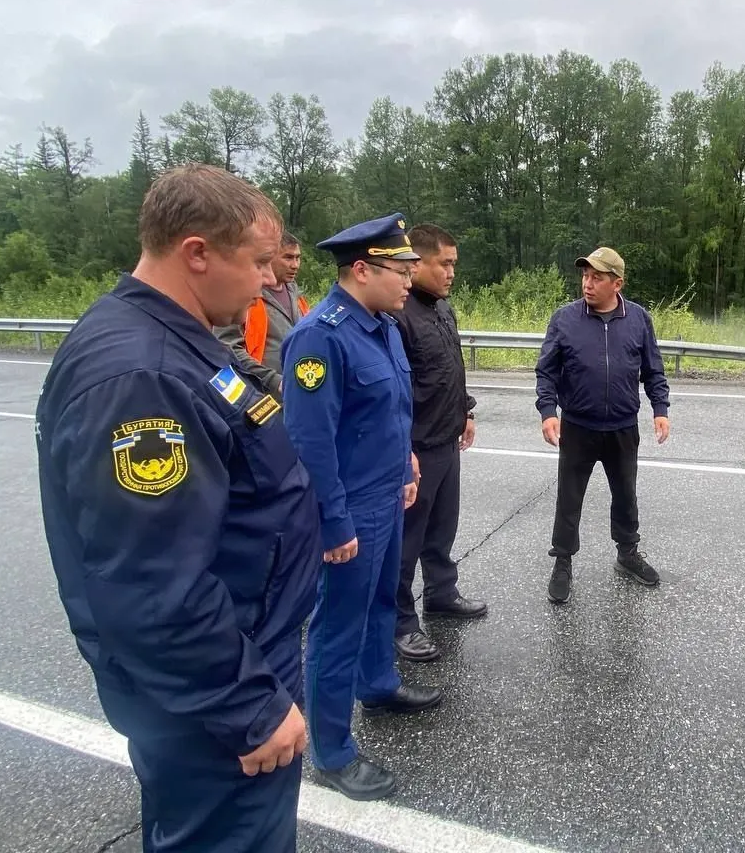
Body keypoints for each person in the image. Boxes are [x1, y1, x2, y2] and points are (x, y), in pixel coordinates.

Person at [34, 163, 321, 852]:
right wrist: (249, 705)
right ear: (196, 252)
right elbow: (151, 583)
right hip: (217, 702)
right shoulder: (143, 379)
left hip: (239, 660)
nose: (270, 280)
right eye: (255, 262)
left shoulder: (181, 343)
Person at [280, 212, 443, 802]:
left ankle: (378, 684)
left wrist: (406, 465)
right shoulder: (320, 336)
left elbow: (390, 413)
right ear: (360, 269)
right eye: (400, 269)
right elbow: (309, 442)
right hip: (348, 509)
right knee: (337, 626)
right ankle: (331, 750)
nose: (409, 278)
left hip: (386, 496)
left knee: (380, 602)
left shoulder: (382, 326)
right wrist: (332, 521)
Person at [535, 246, 671, 604]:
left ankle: (627, 553)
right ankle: (562, 561)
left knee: (626, 495)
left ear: (617, 283)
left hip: (623, 427)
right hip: (578, 427)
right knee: (569, 498)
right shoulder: (565, 319)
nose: (587, 283)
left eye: (597, 277)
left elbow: (653, 369)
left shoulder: (639, 319)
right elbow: (546, 371)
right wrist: (548, 411)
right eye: (585, 275)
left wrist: (661, 408)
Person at [387, 223, 487, 663]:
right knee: (407, 540)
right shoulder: (399, 315)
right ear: (417, 262)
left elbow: (450, 365)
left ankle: (442, 594)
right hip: (417, 447)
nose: (451, 273)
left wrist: (465, 411)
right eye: (443, 264)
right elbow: (394, 388)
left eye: (453, 265)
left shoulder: (444, 309)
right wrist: (402, 450)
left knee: (442, 529)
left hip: (447, 439)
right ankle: (401, 622)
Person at [215, 230, 309, 394]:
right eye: (288, 257)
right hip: (260, 396)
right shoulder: (243, 293)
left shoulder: (296, 293)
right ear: (269, 257)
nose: (295, 265)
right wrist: (275, 381)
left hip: (298, 394)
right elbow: (228, 349)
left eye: (297, 257)